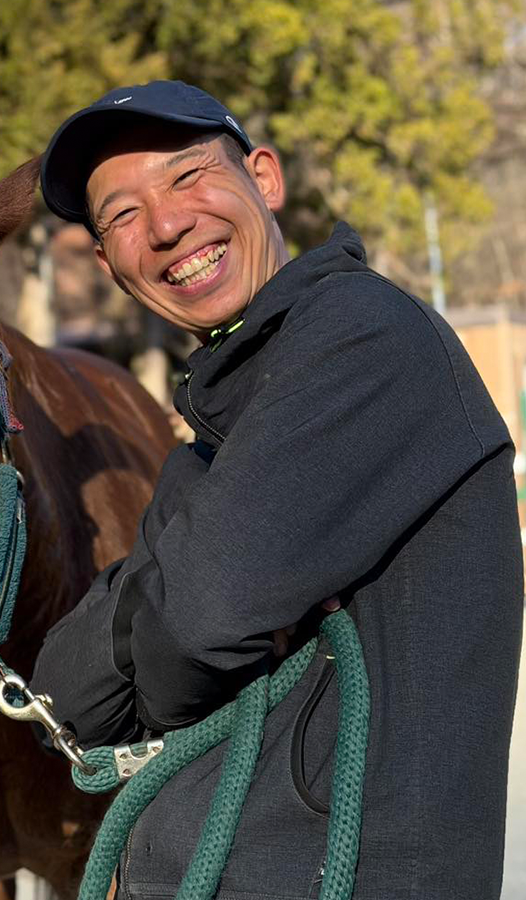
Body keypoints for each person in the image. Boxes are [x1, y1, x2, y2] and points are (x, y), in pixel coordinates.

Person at [30, 80, 523, 900]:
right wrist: (161, 615)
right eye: (121, 216)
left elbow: (201, 618)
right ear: (111, 268)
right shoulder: (220, 426)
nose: (165, 225)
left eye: (188, 177)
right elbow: (64, 698)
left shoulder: (361, 335)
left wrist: (146, 607)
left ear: (265, 178)